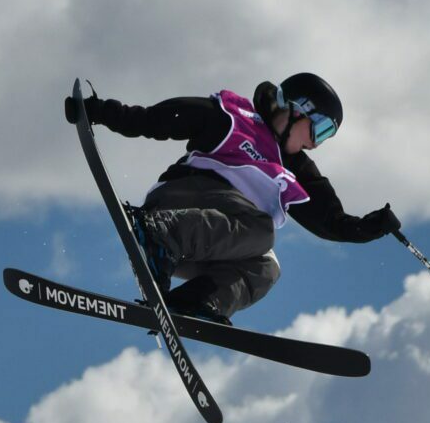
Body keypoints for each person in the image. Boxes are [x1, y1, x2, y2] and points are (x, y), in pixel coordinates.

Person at [65, 74, 401, 324]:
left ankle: (194, 302)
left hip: (199, 244)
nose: (317, 144)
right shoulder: (235, 119)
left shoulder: (296, 168)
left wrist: (367, 227)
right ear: (297, 110)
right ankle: (159, 234)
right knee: (262, 229)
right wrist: (98, 111)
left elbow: (329, 221)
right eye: (321, 129)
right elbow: (158, 119)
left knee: (267, 267)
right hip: (181, 202)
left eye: (327, 136)